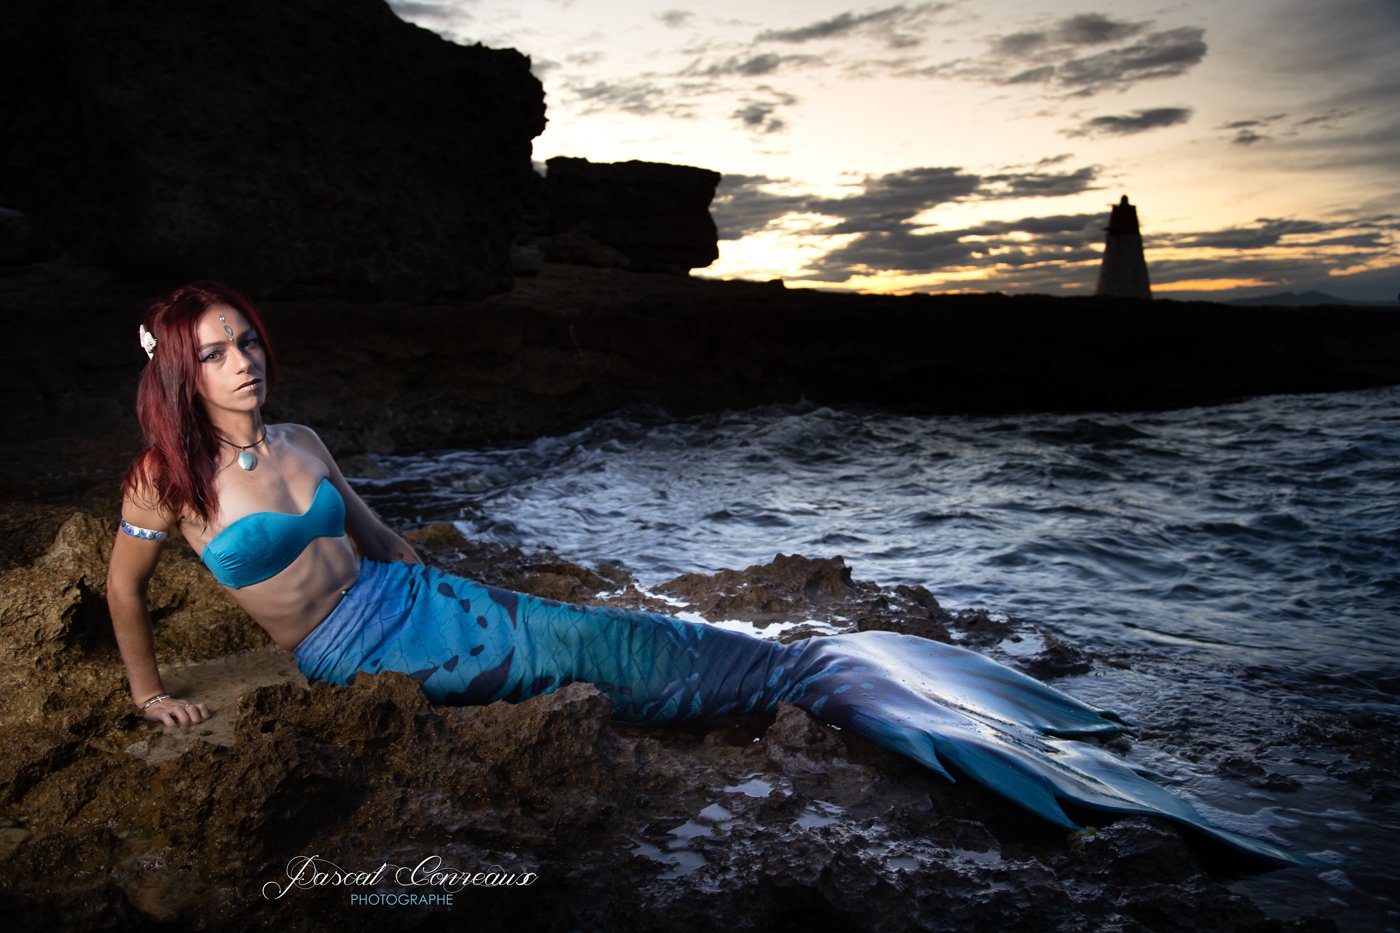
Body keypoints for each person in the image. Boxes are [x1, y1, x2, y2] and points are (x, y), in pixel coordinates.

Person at [107, 282, 1305, 866]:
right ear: (181, 372)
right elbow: (123, 592)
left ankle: (820, 676)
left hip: (432, 611)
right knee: (617, 660)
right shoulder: (163, 482)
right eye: (217, 352)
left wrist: (478, 601)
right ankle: (812, 678)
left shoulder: (304, 441)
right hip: (351, 659)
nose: (246, 361)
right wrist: (145, 693)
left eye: (250, 339)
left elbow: (391, 545)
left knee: (613, 642)